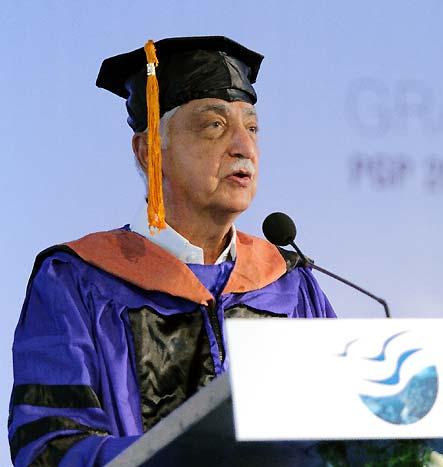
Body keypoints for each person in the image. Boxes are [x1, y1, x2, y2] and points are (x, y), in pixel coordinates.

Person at [8, 36, 335, 467]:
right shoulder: (77, 280)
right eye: (214, 125)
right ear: (148, 152)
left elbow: (344, 431)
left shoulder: (290, 284)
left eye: (251, 127)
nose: (244, 147)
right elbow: (51, 446)